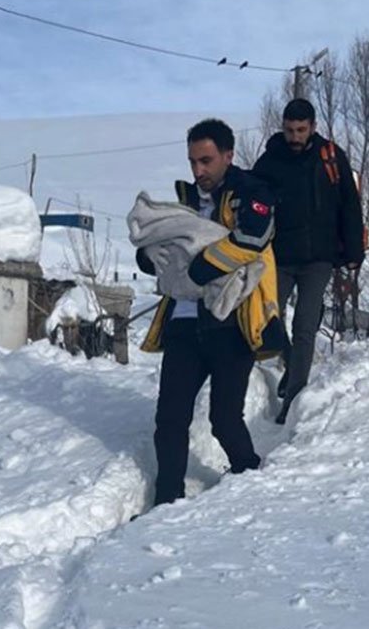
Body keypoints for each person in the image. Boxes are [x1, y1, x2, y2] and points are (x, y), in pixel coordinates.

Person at [136, 118, 288, 507]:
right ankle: (166, 501)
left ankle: (249, 478)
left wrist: (199, 268)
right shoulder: (184, 201)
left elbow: (253, 238)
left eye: (206, 160)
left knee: (224, 419)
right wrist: (151, 257)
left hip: (231, 324)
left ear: (228, 155)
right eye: (192, 161)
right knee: (169, 419)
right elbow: (162, 244)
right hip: (183, 324)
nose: (198, 170)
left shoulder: (252, 191)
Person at [252, 98, 363, 424]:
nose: (295, 137)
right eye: (290, 130)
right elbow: (251, 198)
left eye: (301, 130)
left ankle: (293, 398)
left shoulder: (331, 157)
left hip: (319, 257)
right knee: (267, 319)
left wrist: (353, 250)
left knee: (305, 326)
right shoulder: (271, 159)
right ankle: (290, 364)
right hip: (280, 257)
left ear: (313, 127)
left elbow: (349, 204)